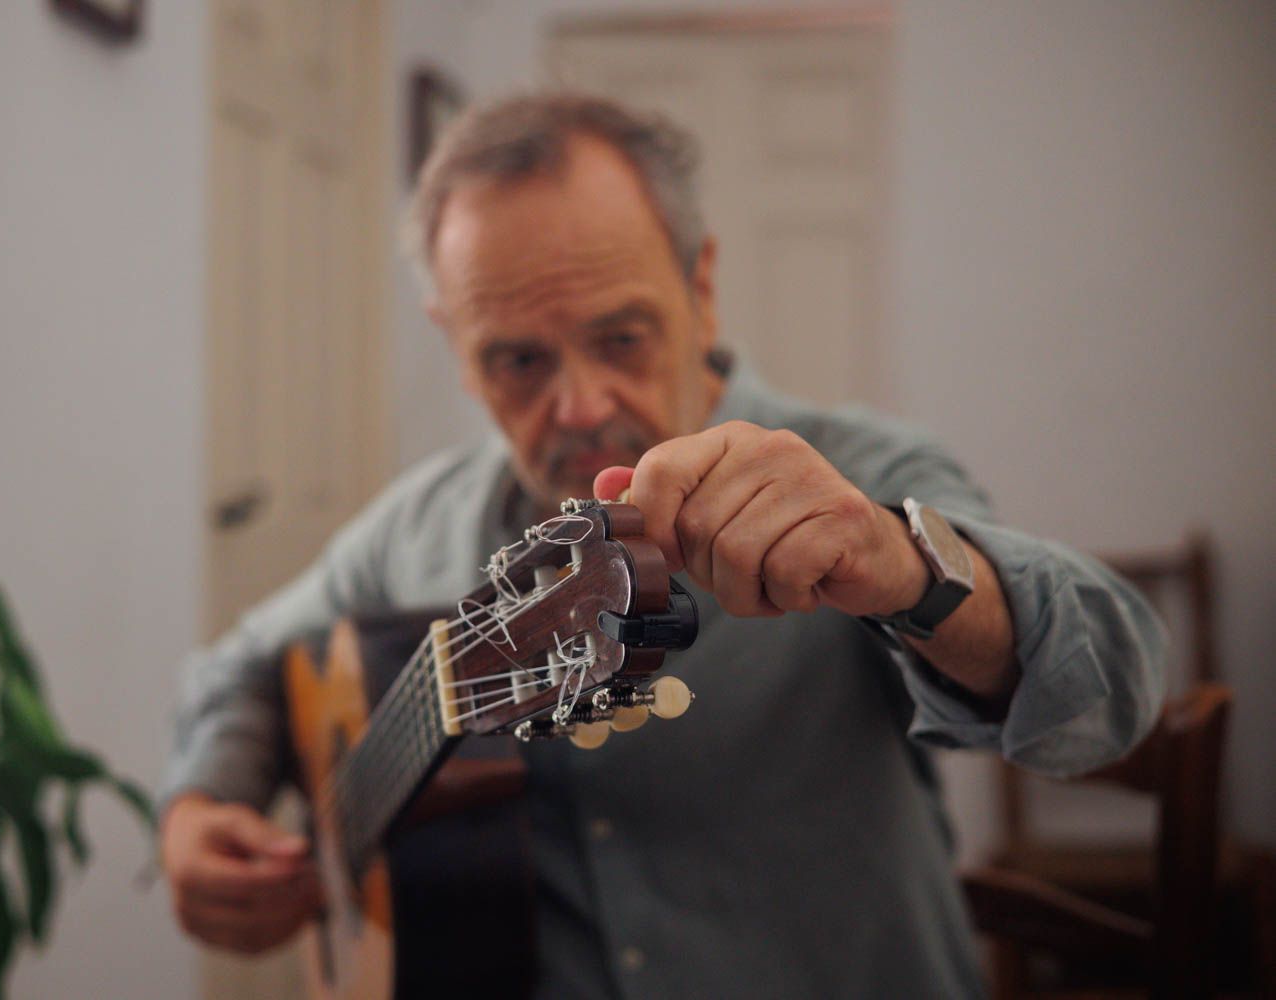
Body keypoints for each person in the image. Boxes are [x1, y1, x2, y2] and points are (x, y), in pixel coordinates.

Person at [159, 93, 1165, 998]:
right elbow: (242, 666)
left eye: (622, 336)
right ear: (454, 343)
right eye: (517, 359)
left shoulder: (864, 471)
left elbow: (1111, 694)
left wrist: (906, 569)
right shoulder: (419, 525)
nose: (581, 403)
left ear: (703, 284)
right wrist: (202, 805)